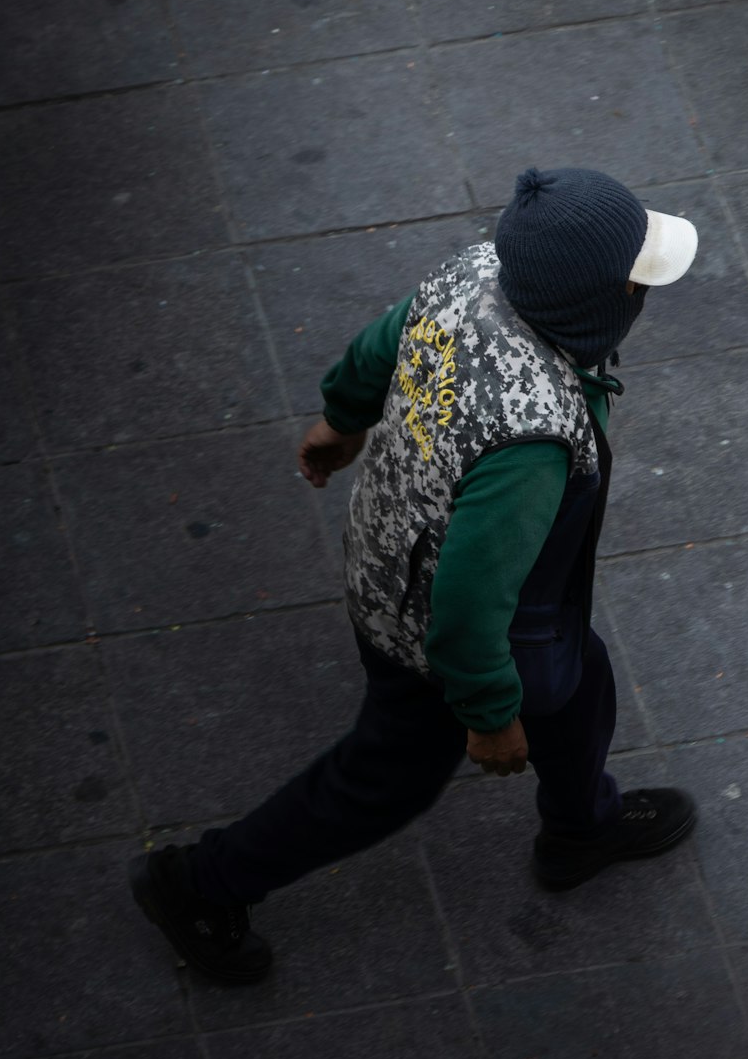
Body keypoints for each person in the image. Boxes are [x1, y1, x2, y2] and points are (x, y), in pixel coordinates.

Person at [130, 166, 700, 984]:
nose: (644, 295)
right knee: (386, 778)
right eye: (635, 283)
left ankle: (582, 826)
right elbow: (467, 608)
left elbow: (384, 339)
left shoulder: (481, 268)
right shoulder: (533, 440)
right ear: (598, 306)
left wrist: (340, 418)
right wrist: (491, 714)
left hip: (395, 542)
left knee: (579, 680)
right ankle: (198, 882)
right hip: (426, 626)